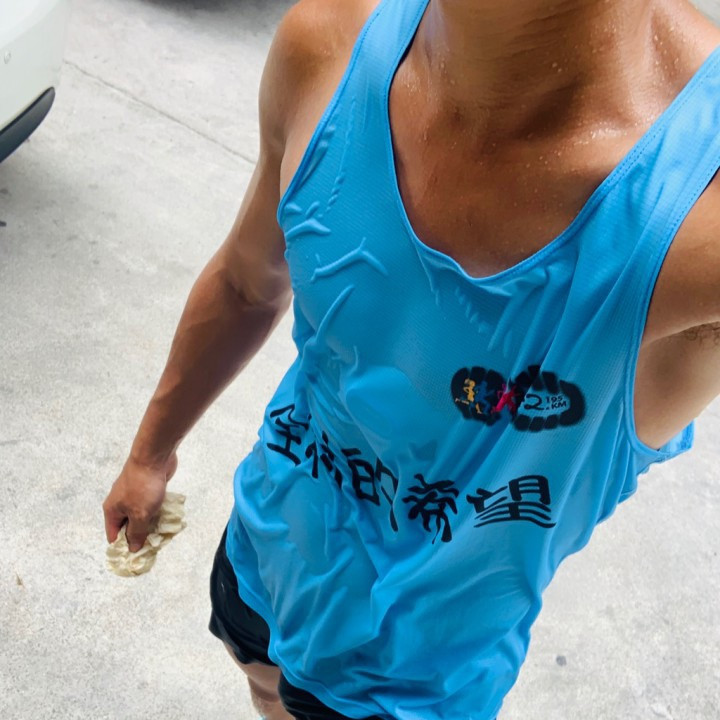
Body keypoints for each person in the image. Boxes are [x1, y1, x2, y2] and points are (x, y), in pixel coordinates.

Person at [102, 0, 720, 718]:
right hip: (264, 551)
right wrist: (149, 455)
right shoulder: (330, 42)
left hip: (409, 685)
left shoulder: (696, 212)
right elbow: (246, 282)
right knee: (263, 683)